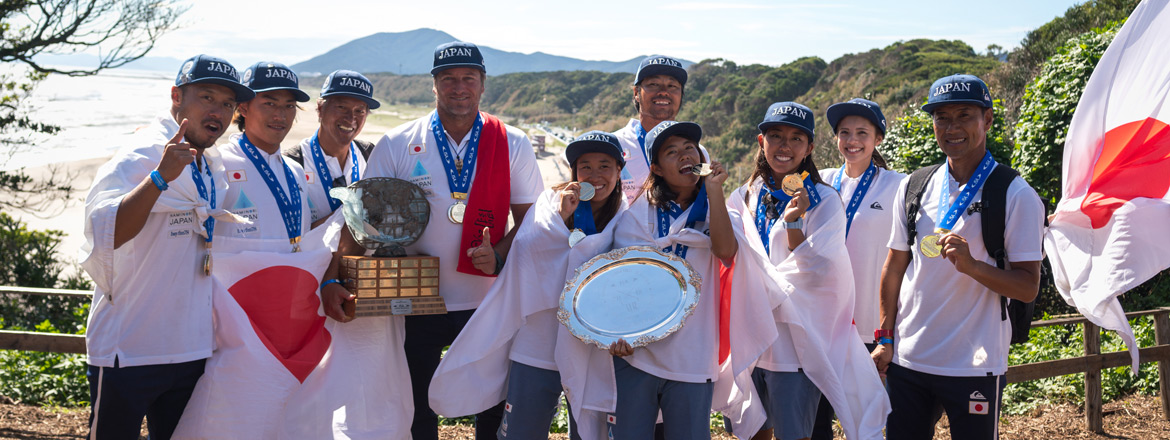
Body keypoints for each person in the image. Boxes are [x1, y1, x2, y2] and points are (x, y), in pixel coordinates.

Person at [319, 41, 543, 440]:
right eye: (449, 79)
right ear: (434, 85)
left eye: (468, 79)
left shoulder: (512, 142)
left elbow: (531, 221)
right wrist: (335, 277)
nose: (459, 87)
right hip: (417, 295)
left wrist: (499, 254)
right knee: (415, 401)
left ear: (482, 85)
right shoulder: (398, 142)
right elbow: (360, 220)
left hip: (489, 298)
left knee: (491, 398)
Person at [79, 54, 253, 440]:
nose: (219, 112)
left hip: (190, 348)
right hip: (131, 348)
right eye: (207, 97)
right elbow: (105, 232)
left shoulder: (213, 165)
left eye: (227, 104)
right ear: (177, 97)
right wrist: (160, 178)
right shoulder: (141, 154)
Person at [872, 74, 1044, 439]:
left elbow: (1028, 287)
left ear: (988, 119)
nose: (951, 127)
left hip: (975, 364)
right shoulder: (914, 185)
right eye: (941, 118)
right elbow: (895, 267)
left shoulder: (1015, 194)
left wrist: (973, 267)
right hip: (909, 360)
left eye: (964, 115)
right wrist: (885, 338)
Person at [429, 131, 629, 440]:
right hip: (538, 339)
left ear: (619, 170)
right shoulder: (549, 204)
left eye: (605, 165)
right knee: (521, 431)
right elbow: (526, 258)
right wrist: (562, 219)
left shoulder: (627, 217)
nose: (595, 175)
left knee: (592, 433)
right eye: (585, 166)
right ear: (574, 172)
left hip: (594, 346)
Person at [604, 120, 737, 439]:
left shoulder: (715, 210)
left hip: (694, 356)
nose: (684, 157)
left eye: (689, 148)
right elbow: (625, 281)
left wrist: (715, 191)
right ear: (657, 169)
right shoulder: (638, 214)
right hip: (638, 356)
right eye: (672, 152)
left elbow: (726, 250)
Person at [811, 98, 906, 440]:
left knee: (868, 426)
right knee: (816, 423)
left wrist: (889, 332)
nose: (852, 140)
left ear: (878, 138)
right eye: (845, 132)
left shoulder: (899, 185)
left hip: (869, 327)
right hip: (823, 325)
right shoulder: (820, 183)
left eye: (862, 133)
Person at [218, 61, 312, 244]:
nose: (280, 116)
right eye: (269, 103)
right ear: (243, 108)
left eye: (289, 106)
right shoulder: (219, 163)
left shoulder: (295, 170)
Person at [284, 69, 380, 229]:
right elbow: (290, 233)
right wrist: (347, 215)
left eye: (360, 111)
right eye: (342, 107)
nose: (350, 119)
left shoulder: (370, 154)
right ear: (321, 109)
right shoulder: (292, 162)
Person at [614, 55, 694, 202]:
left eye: (672, 86)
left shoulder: (695, 153)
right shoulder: (614, 146)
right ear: (636, 93)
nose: (664, 91)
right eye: (653, 84)